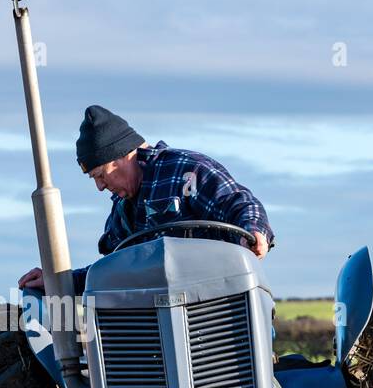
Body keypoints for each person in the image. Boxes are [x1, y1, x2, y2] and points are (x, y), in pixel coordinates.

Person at [18, 106, 275, 293]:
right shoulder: (121, 210)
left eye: (100, 175)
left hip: (215, 302)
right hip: (151, 322)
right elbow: (114, 272)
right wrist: (58, 281)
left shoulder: (186, 171)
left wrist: (254, 232)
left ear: (122, 156)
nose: (99, 187)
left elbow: (241, 204)